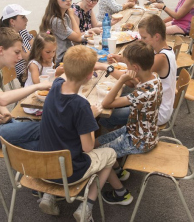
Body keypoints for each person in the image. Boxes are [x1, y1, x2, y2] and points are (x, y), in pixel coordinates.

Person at [37, 45, 133, 221]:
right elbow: (88, 148)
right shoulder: (81, 107)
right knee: (109, 154)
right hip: (70, 171)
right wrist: (91, 115)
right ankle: (86, 206)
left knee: (63, 141)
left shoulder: (55, 86)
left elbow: (65, 74)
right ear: (90, 75)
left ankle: (49, 195)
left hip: (44, 166)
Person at [95, 41, 162, 204]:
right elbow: (133, 81)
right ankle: (118, 171)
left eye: (127, 65)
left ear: (135, 68)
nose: (125, 68)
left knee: (99, 154)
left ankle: (121, 193)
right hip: (136, 130)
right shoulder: (153, 78)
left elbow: (106, 104)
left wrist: (121, 79)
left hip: (139, 140)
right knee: (95, 142)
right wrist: (122, 69)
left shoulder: (144, 93)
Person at [96, 15, 176, 129]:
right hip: (156, 102)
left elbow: (130, 79)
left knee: (109, 114)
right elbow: (139, 67)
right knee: (117, 97)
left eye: (144, 37)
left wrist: (104, 67)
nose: (141, 41)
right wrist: (121, 59)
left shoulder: (161, 58)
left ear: (156, 36)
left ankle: (109, 136)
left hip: (158, 112)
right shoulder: (165, 51)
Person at [39, 0, 82, 67]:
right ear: (55, 1)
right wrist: (72, 16)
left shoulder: (65, 16)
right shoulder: (56, 21)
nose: (68, 0)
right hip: (60, 60)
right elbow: (78, 38)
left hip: (67, 54)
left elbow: (75, 35)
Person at [23, 32, 63, 115]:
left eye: (54, 51)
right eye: (48, 52)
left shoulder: (49, 61)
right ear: (38, 50)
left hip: (47, 92)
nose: (51, 55)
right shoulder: (34, 64)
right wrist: (56, 73)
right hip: (33, 97)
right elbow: (37, 82)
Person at [0, 4, 34, 86]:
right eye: (23, 17)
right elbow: (28, 56)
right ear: (12, 21)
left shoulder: (22, 31)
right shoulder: (9, 39)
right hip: (25, 74)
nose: (26, 20)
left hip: (34, 67)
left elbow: (37, 47)